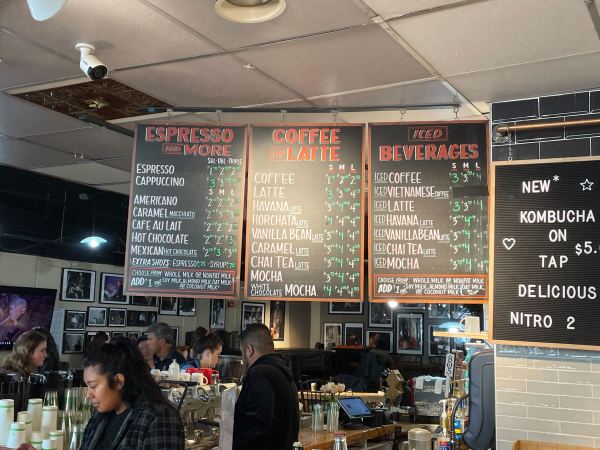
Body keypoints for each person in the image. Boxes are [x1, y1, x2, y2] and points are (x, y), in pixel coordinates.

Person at [79, 337, 184, 449]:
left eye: (93, 386)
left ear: (118, 381)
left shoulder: (158, 417)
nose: (88, 395)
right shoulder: (99, 417)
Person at [233, 324, 298, 450]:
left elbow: (257, 426)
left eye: (242, 353)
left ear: (249, 350)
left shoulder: (259, 373)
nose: (243, 358)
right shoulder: (283, 371)